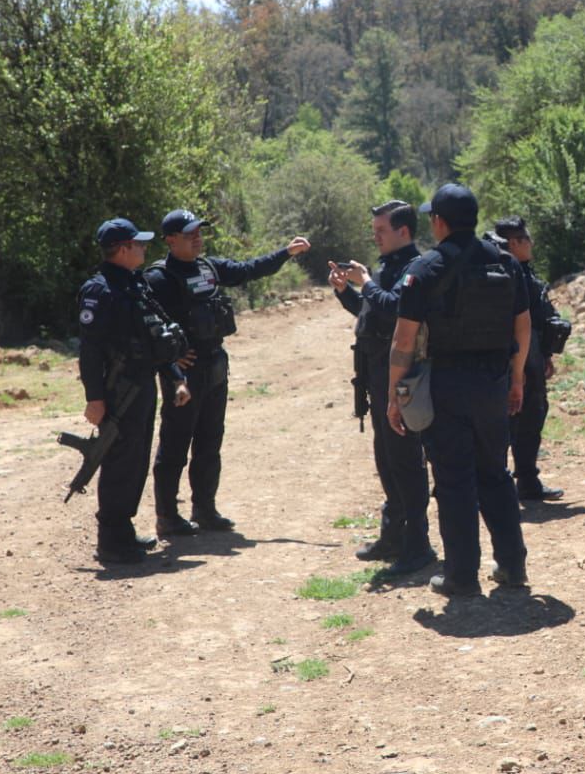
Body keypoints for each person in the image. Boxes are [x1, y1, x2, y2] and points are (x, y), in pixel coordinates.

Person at [385, 183, 531, 598]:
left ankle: (461, 577)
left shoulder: (425, 269)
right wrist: (516, 379)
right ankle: (512, 566)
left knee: (453, 480)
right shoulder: (505, 262)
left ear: (438, 221)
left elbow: (403, 341)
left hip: (446, 384)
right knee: (496, 474)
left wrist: (396, 394)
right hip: (493, 381)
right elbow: (523, 326)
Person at [144, 209, 310, 535]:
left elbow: (249, 270)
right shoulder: (158, 278)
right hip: (184, 375)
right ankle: (167, 516)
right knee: (175, 444)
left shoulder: (209, 267)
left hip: (215, 366)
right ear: (170, 240)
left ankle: (205, 510)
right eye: (189, 233)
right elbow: (147, 325)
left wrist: (286, 253)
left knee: (209, 442)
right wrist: (172, 360)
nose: (197, 237)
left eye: (199, 232)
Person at [329, 200, 436, 577]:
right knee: (387, 458)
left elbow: (394, 309)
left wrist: (368, 282)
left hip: (404, 379)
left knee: (406, 460)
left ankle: (418, 544)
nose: (374, 237)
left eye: (381, 231)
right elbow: (370, 313)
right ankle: (394, 536)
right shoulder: (389, 266)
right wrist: (346, 292)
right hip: (377, 376)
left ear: (403, 231)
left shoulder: (413, 267)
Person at [78, 218, 191, 564]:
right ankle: (111, 539)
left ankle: (123, 530)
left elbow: (151, 338)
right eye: (139, 244)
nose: (144, 248)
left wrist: (174, 376)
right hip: (119, 389)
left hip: (142, 383)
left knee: (137, 457)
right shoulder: (100, 290)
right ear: (124, 249)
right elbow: (89, 349)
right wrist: (94, 398)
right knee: (120, 461)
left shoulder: (134, 283)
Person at [492, 216, 564, 502]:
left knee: (532, 419)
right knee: (509, 423)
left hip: (532, 358)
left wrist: (545, 353)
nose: (531, 243)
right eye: (526, 239)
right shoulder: (506, 275)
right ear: (513, 243)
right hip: (515, 362)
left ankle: (527, 481)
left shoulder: (523, 272)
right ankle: (502, 484)